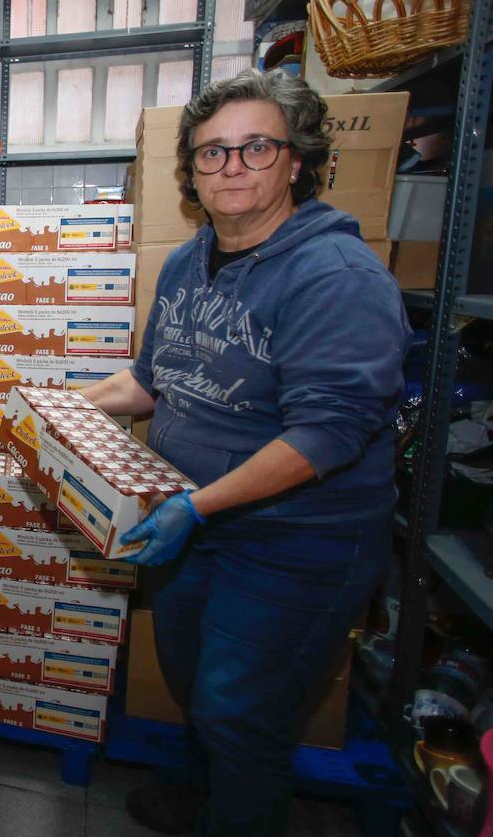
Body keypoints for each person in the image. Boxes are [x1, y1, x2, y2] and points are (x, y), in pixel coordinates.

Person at [80, 69, 410, 836]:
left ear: (296, 161)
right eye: (211, 153)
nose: (230, 167)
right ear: (190, 171)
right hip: (200, 524)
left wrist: (197, 505)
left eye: (254, 148)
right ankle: (199, 796)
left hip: (298, 542)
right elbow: (151, 380)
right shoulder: (189, 262)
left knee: (244, 716)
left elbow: (325, 434)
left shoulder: (336, 277)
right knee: (200, 686)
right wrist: (47, 407)